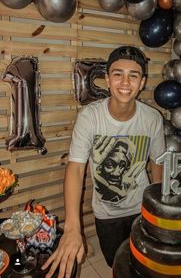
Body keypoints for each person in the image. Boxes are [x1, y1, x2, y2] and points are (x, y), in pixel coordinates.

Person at [42, 45, 165, 277]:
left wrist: (156, 208)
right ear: (107, 80)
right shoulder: (90, 117)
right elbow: (76, 168)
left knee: (145, 265)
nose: (125, 82)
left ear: (142, 82)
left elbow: (158, 162)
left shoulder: (152, 118)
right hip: (106, 213)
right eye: (118, 74)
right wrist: (71, 228)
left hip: (142, 209)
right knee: (116, 265)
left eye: (133, 75)